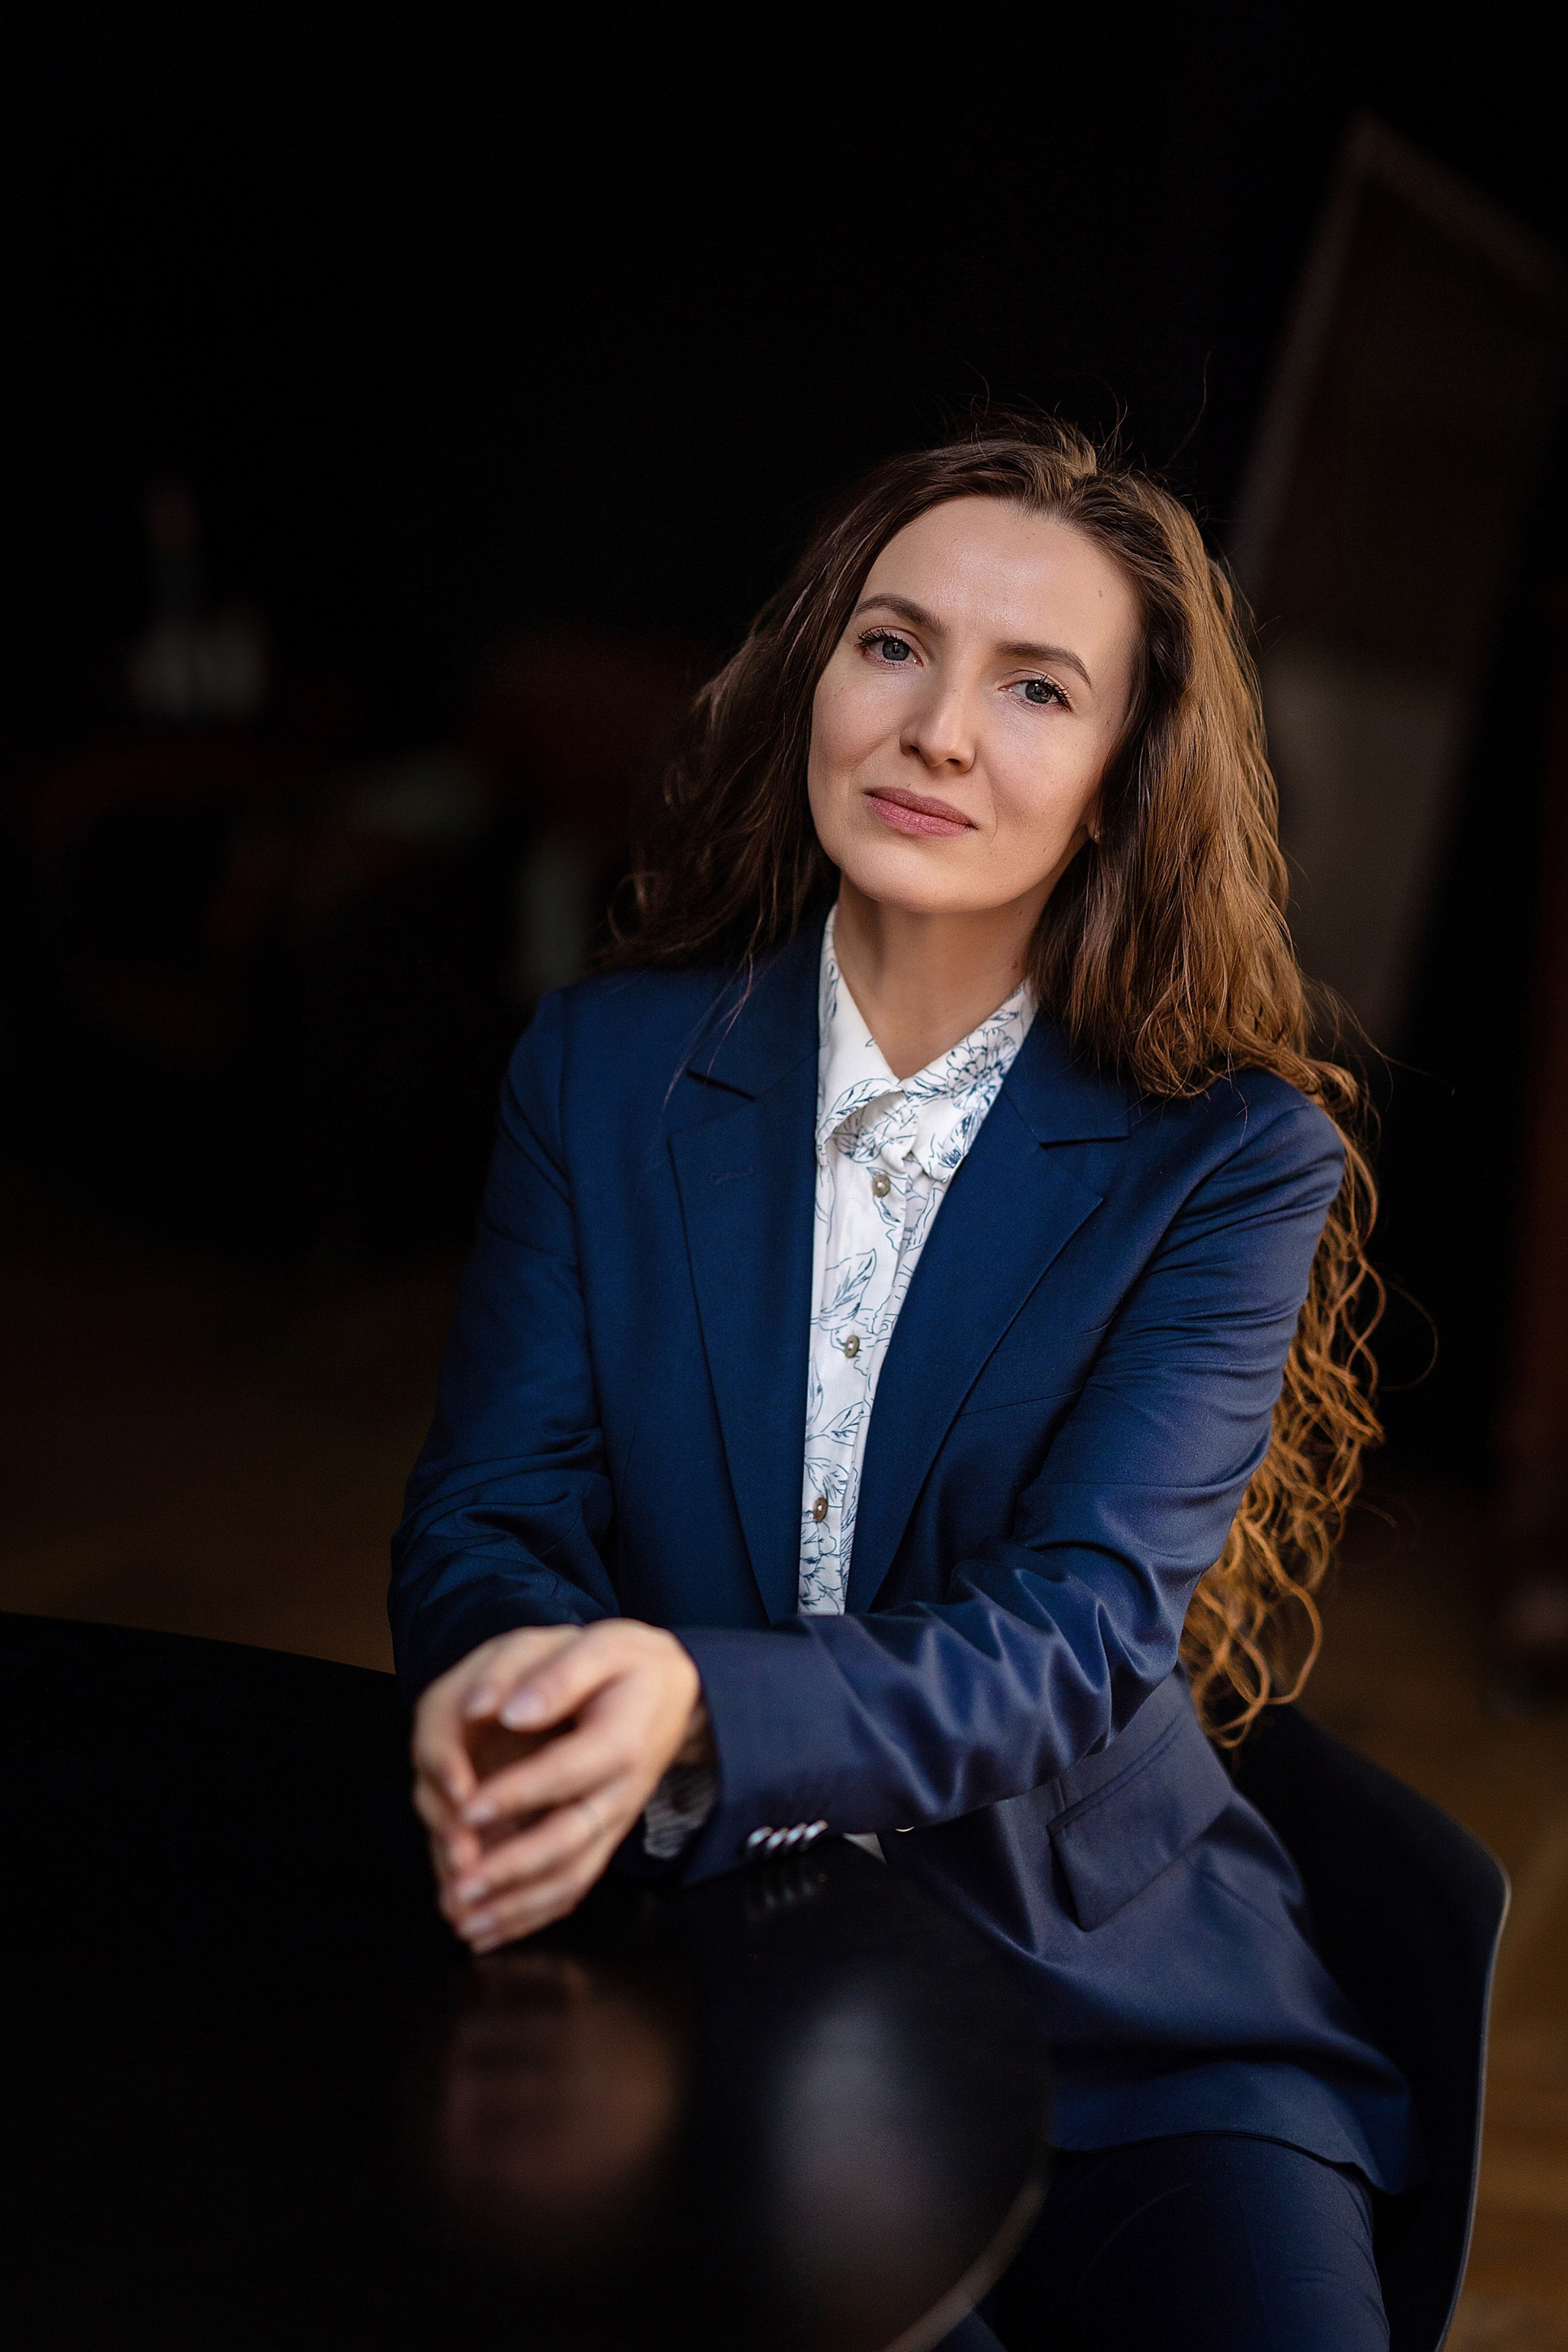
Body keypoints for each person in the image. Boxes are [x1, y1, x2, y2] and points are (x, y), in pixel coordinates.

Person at [390, 416, 1413, 2350]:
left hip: (1129, 2013)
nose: (938, 731)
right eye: (894, 645)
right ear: (816, 681)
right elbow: (489, 1513)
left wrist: (699, 1699)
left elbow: (1081, 1634)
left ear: (1120, 784)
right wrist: (512, 1683)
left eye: (1037, 688)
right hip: (716, 1975)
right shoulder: (600, 1075)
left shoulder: (1232, 1157)